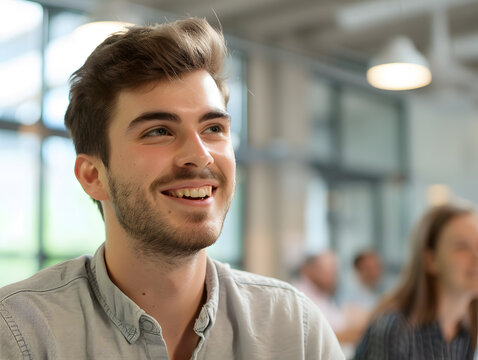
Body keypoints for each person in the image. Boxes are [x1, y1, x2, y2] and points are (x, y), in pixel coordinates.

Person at [0, 18, 344, 359]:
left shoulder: (294, 330)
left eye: (213, 128)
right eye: (158, 131)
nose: (200, 155)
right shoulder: (21, 336)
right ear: (92, 176)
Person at [354, 203, 478, 359]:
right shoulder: (396, 329)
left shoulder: (466, 331)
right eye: (462, 246)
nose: (476, 256)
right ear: (430, 259)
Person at [294, 251, 366, 345]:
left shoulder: (322, 294)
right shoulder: (300, 297)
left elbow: (338, 323)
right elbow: (322, 338)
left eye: (334, 272)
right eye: (328, 271)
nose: (333, 277)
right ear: (309, 270)